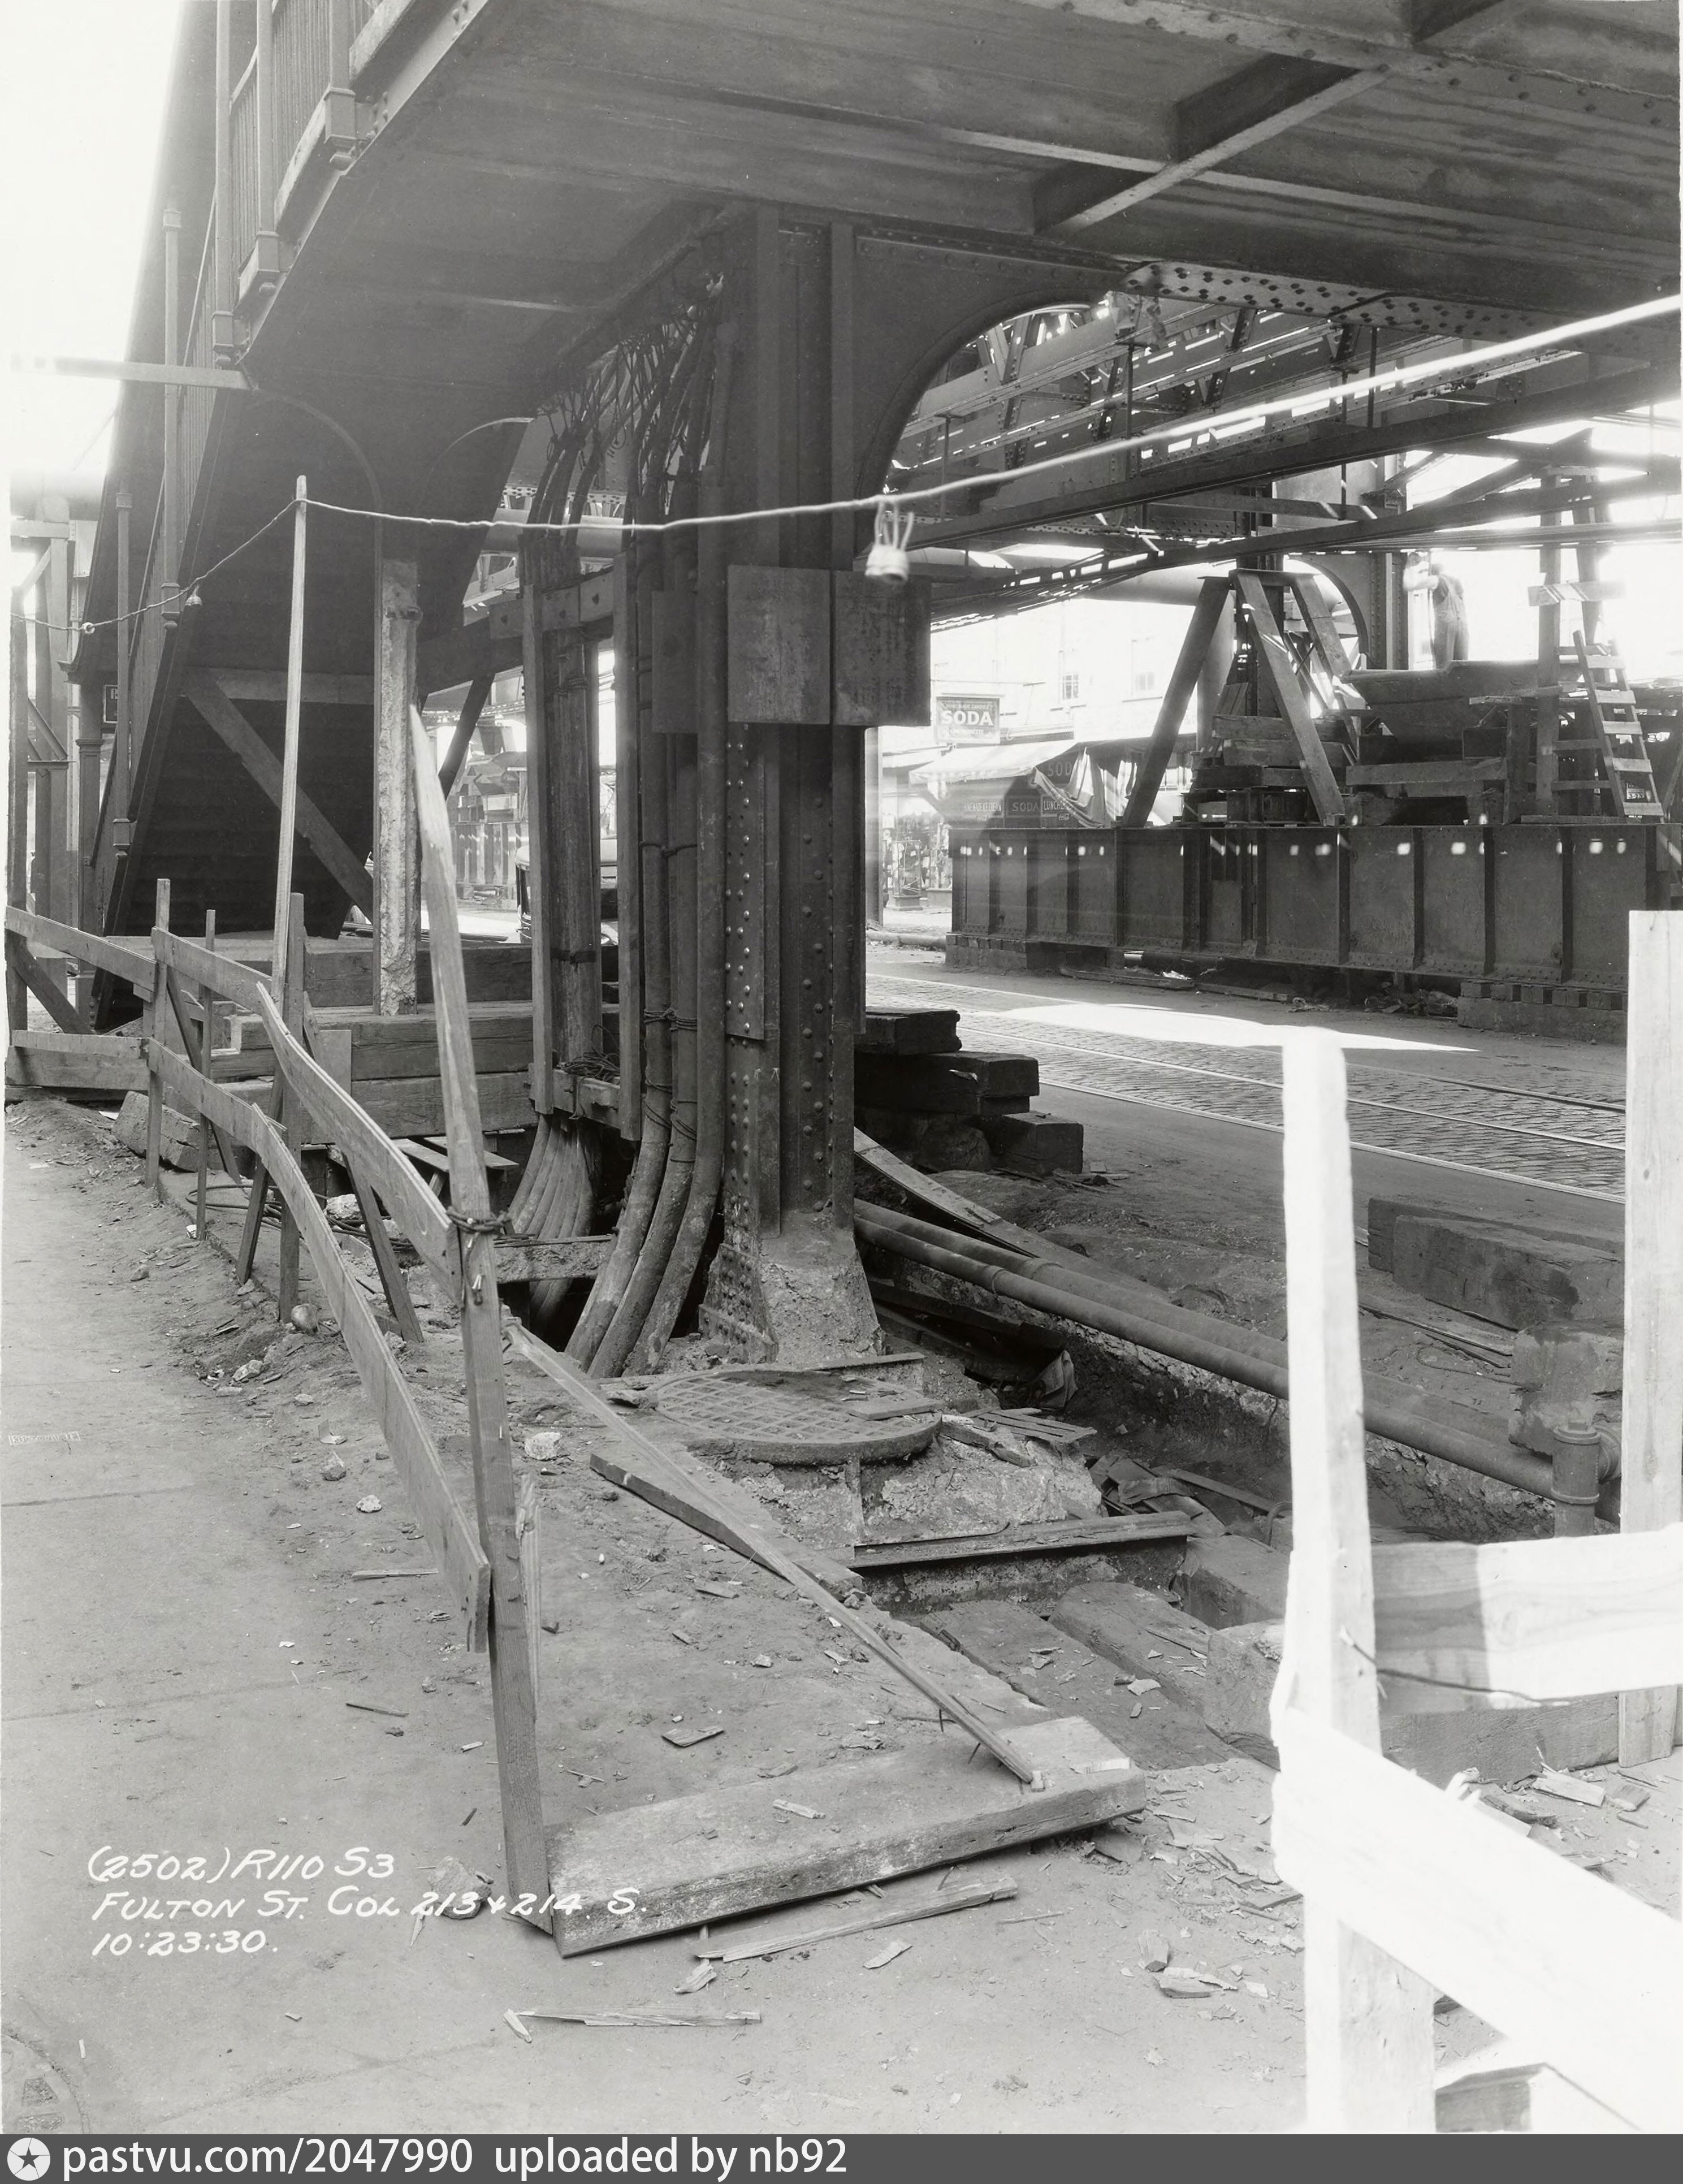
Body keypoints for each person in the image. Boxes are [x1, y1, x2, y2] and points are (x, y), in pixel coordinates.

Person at [1405, 550, 1469, 669]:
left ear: (1432, 572)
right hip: (1463, 626)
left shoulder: (1436, 579)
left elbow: (1409, 586)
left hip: (1446, 626)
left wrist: (1408, 567)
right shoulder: (1456, 582)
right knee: (1461, 667)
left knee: (1443, 667)